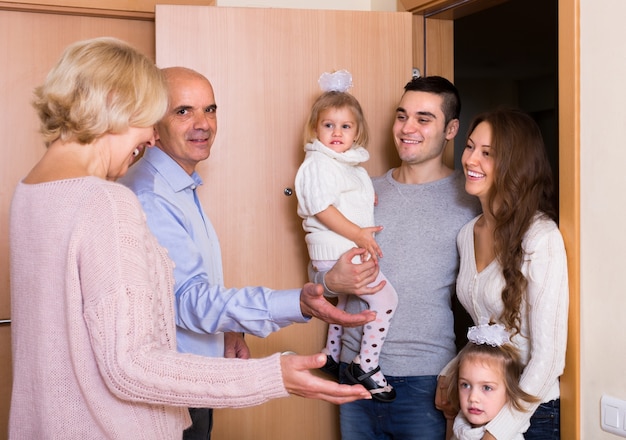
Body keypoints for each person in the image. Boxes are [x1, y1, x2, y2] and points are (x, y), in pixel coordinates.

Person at [9, 37, 373, 440]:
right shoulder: (108, 201)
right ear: (114, 103)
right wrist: (273, 376)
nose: (150, 137)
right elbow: (131, 366)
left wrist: (227, 332)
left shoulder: (30, 192)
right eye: (150, 117)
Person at [117, 65, 376, 439]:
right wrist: (297, 304)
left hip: (196, 377)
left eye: (210, 109)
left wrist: (228, 330)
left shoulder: (178, 185)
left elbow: (180, 289)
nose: (203, 123)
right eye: (183, 111)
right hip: (172, 391)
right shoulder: (151, 196)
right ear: (151, 124)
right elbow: (187, 300)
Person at [310, 75, 482, 439]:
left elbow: (487, 303)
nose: (408, 128)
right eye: (401, 116)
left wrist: (463, 371)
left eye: (424, 118)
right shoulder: (361, 190)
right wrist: (329, 281)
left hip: (426, 380)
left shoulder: (469, 203)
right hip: (351, 377)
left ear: (451, 129)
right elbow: (320, 270)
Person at [436, 108, 569, 440]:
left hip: (530, 414)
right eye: (469, 147)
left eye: (487, 153)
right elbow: (490, 329)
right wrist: (451, 373)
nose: (470, 160)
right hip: (480, 404)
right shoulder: (467, 234)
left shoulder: (541, 237)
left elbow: (549, 359)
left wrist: (499, 430)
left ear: (515, 164)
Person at [295, 70, 398, 402]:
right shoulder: (318, 164)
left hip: (340, 249)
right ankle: (366, 364)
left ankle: (332, 354)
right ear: (315, 129)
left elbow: (344, 195)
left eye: (345, 126)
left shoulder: (344, 164)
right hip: (338, 248)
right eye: (328, 125)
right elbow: (323, 208)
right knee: (386, 300)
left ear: (357, 132)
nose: (336, 132)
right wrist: (358, 234)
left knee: (343, 302)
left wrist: (366, 198)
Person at [446, 324, 540, 440]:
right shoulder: (460, 427)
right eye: (465, 385)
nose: (473, 397)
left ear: (509, 393)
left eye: (486, 388)